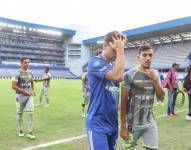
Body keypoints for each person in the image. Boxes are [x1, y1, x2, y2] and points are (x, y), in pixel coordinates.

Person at [86, 31, 126, 150]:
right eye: (114, 49)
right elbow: (118, 76)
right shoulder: (95, 62)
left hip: (112, 122)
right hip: (97, 123)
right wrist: (121, 51)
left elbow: (122, 76)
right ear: (104, 46)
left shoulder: (113, 65)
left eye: (118, 49)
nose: (116, 53)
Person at [120, 45, 165, 150]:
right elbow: (123, 103)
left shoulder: (156, 74)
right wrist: (123, 126)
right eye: (144, 55)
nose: (148, 58)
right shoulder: (129, 75)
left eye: (150, 55)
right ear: (138, 57)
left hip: (150, 124)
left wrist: (154, 79)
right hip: (132, 125)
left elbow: (161, 97)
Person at [12, 57, 36, 139]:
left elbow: (32, 82)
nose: (27, 64)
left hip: (29, 96)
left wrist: (33, 90)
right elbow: (13, 86)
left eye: (28, 62)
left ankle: (30, 132)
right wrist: (24, 92)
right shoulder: (17, 73)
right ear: (21, 63)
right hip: (20, 96)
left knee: (31, 114)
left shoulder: (30, 73)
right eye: (25, 62)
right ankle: (20, 130)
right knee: (20, 114)